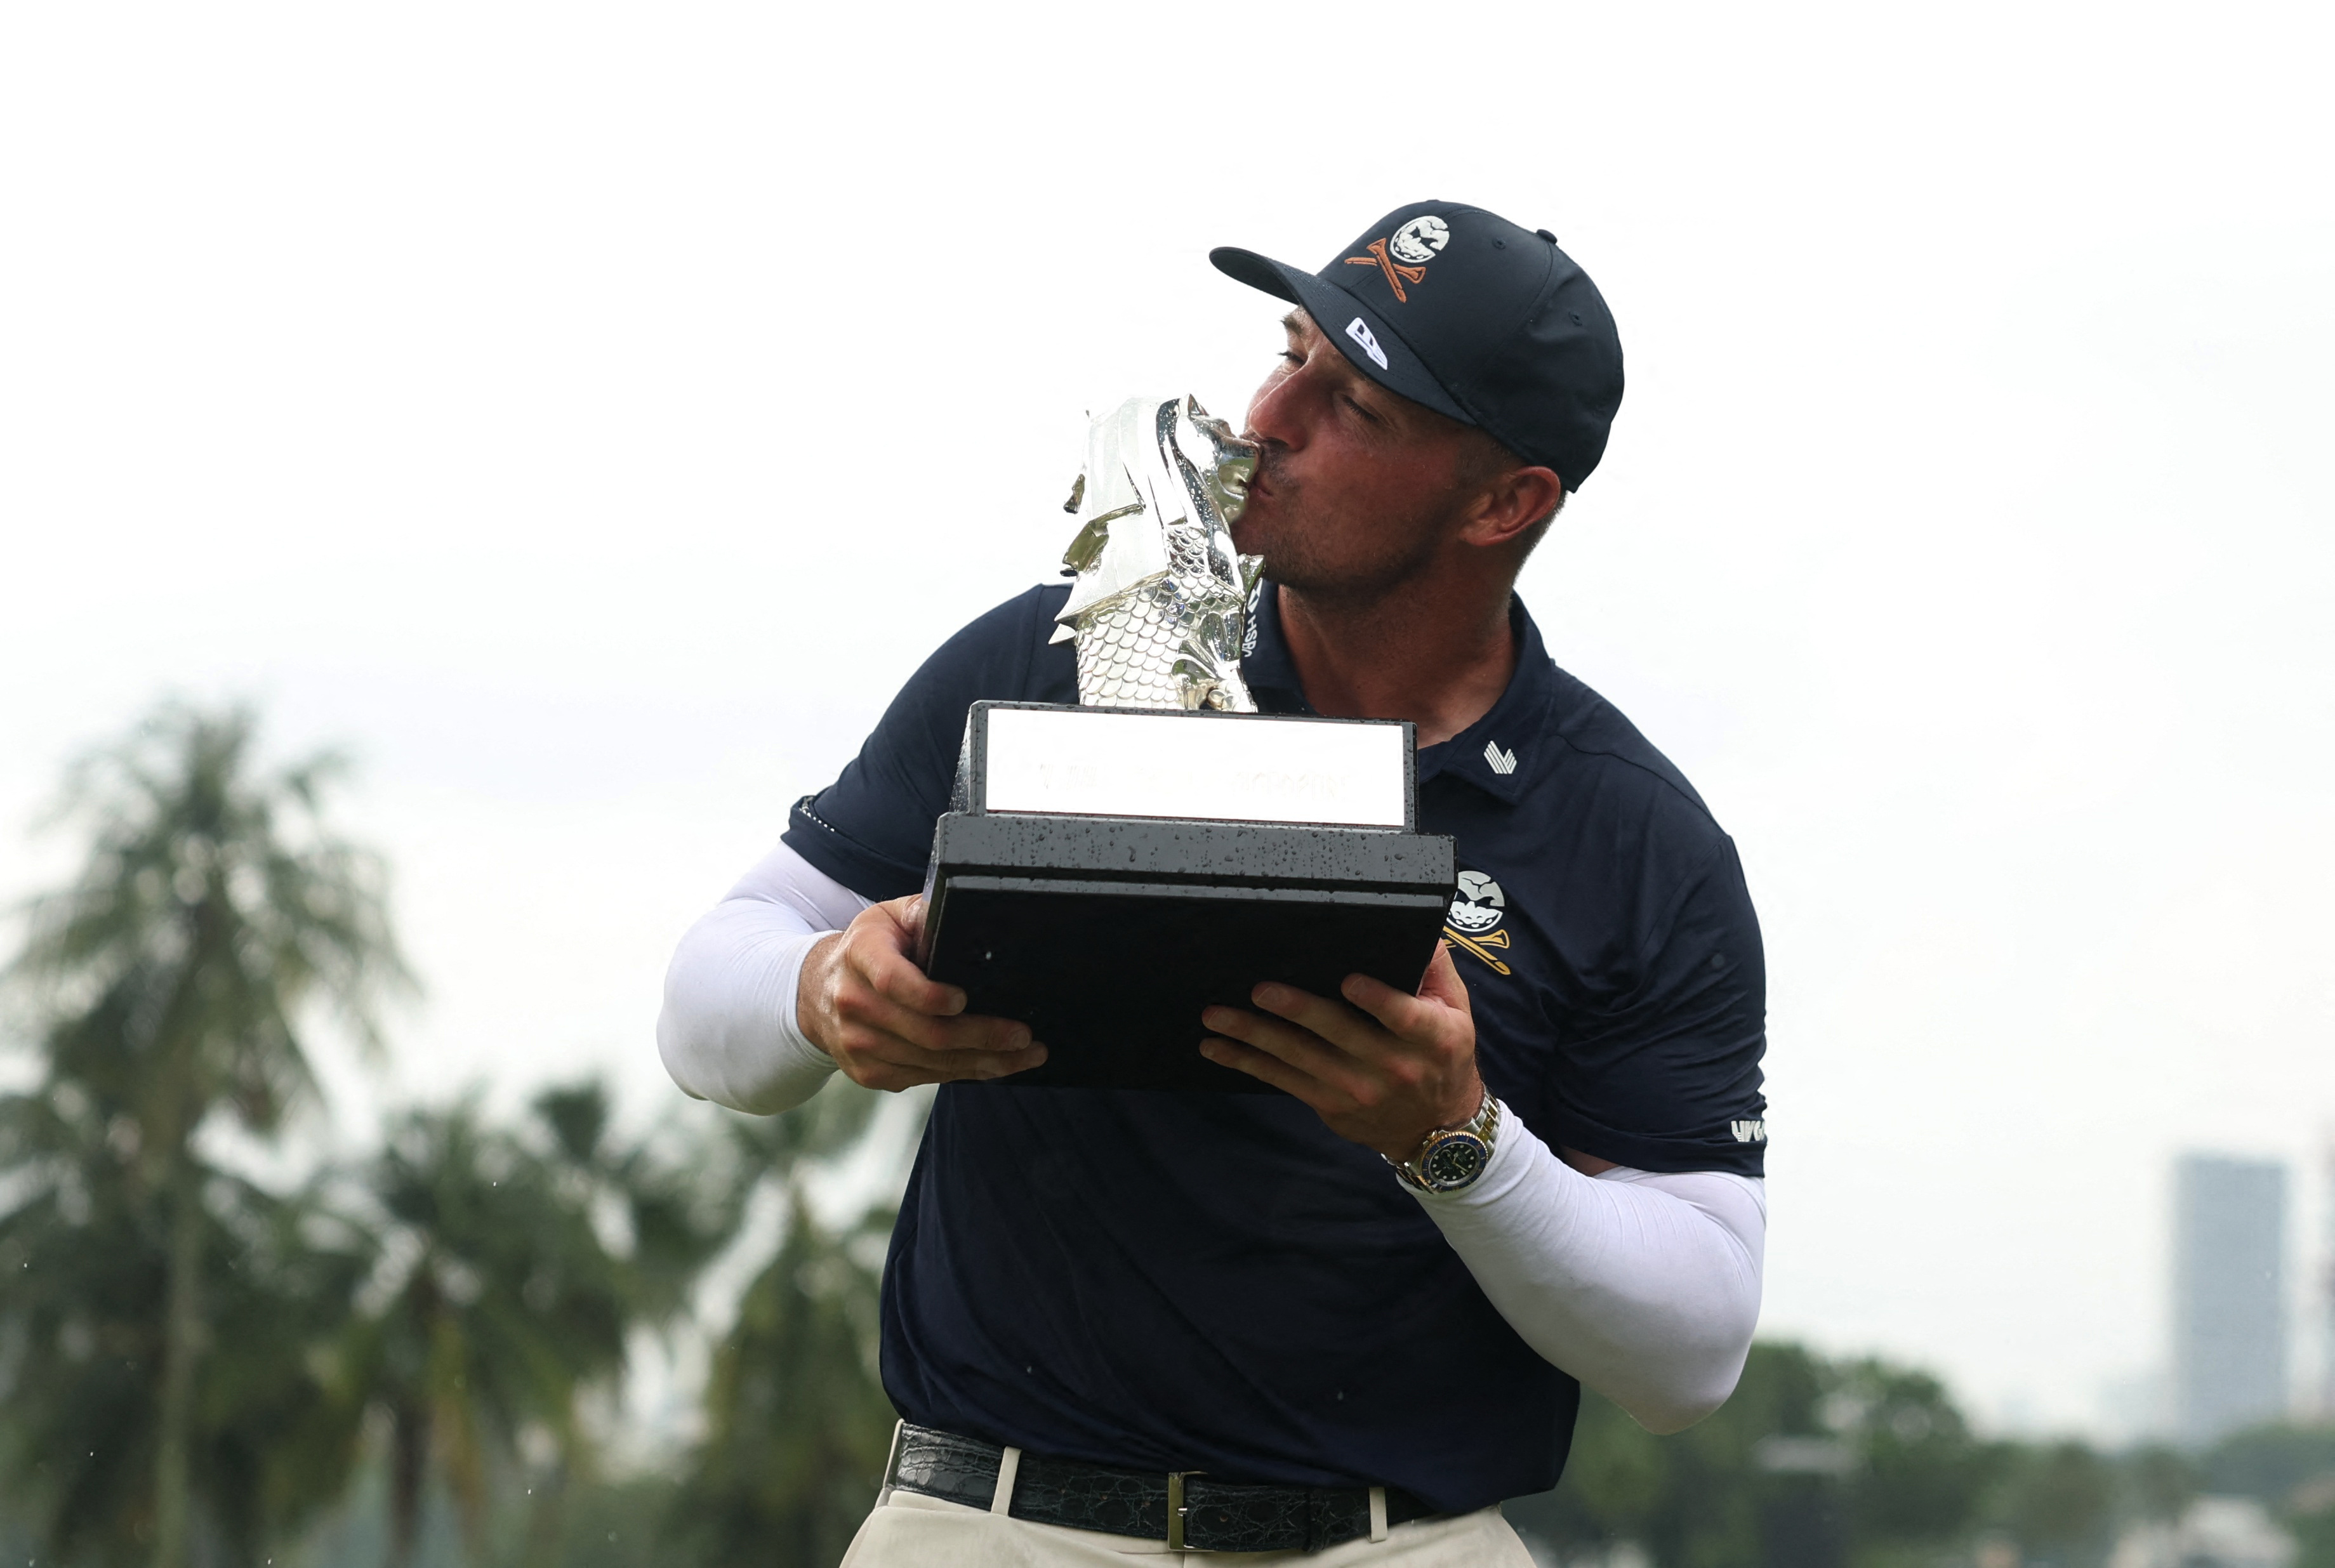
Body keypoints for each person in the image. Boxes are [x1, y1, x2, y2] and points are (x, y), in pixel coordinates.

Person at [658, 201, 1769, 1566]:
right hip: (993, 1525)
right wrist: (824, 988)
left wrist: (1455, 1139)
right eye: (1289, 349)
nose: (1270, 415)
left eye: (1352, 402)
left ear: (1504, 501)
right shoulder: (1056, 656)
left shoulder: (1631, 835)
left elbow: (1692, 1351)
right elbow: (706, 1003)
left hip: (1401, 1546)